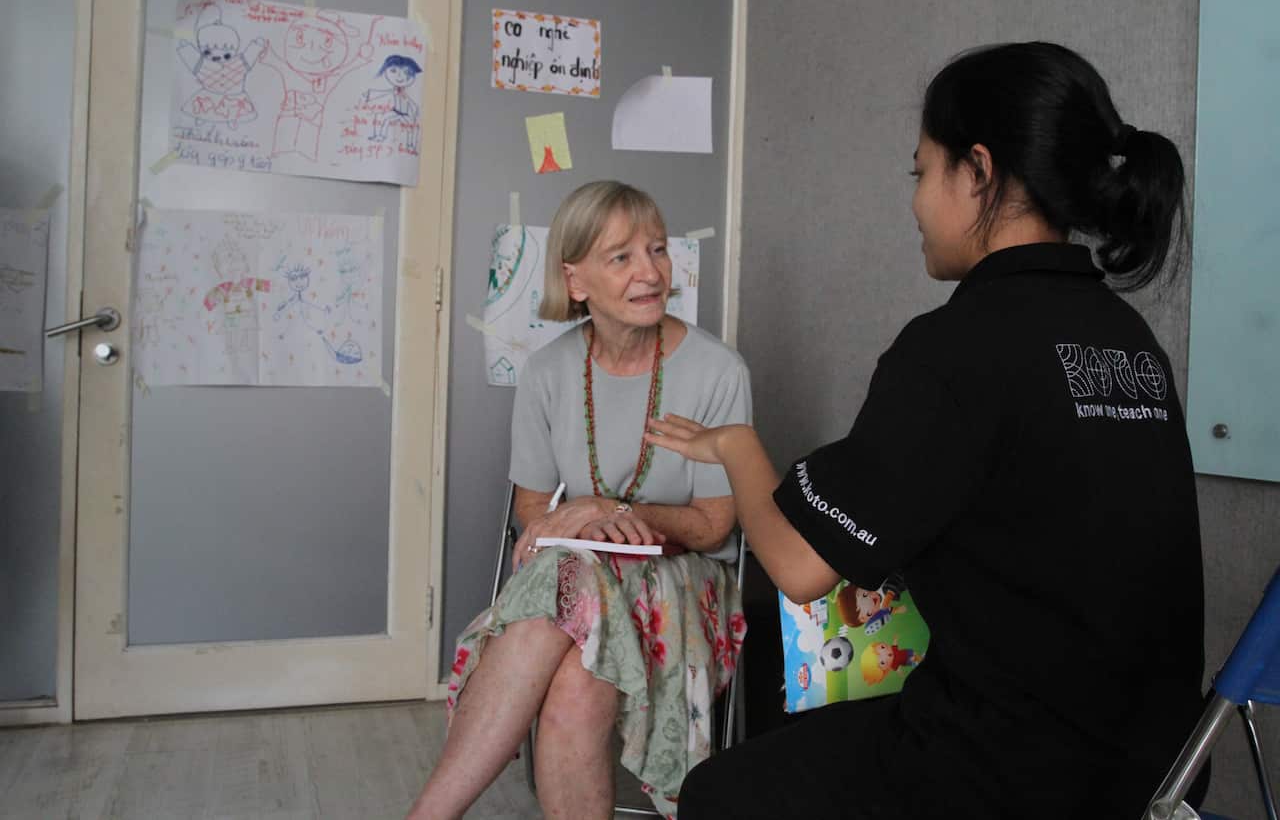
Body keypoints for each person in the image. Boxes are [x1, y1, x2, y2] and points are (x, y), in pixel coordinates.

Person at [646, 42, 1207, 819]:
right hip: (1157, 768)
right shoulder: (1129, 341)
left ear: (977, 171)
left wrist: (736, 445)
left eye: (921, 172)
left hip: (1013, 772)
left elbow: (799, 567)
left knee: (720, 792)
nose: (914, 202)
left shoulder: (958, 345)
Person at [406, 181, 750, 820]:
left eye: (657, 250)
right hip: (578, 585)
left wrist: (614, 511)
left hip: (681, 582)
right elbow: (533, 515)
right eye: (622, 257)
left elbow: (712, 526)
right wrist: (585, 518)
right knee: (574, 678)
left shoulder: (718, 371)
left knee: (565, 583)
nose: (651, 272)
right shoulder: (547, 372)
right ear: (575, 278)